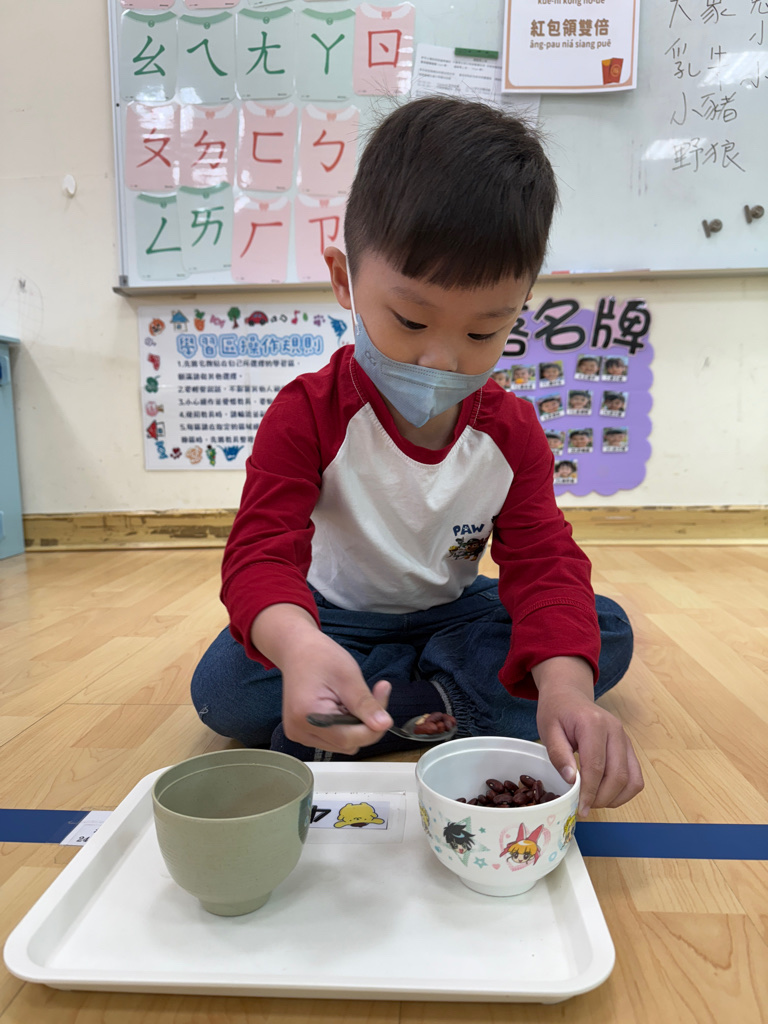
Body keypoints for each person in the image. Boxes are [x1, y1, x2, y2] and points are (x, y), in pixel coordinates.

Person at [191, 97, 643, 817]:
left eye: (484, 332)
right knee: (222, 690)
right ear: (344, 280)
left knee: (602, 631)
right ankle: (430, 700)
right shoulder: (306, 414)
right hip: (335, 616)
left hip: (453, 614)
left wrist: (566, 689)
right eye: (409, 319)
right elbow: (259, 556)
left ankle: (382, 705)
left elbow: (543, 562)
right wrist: (299, 646)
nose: (442, 359)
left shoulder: (511, 432)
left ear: (521, 305)